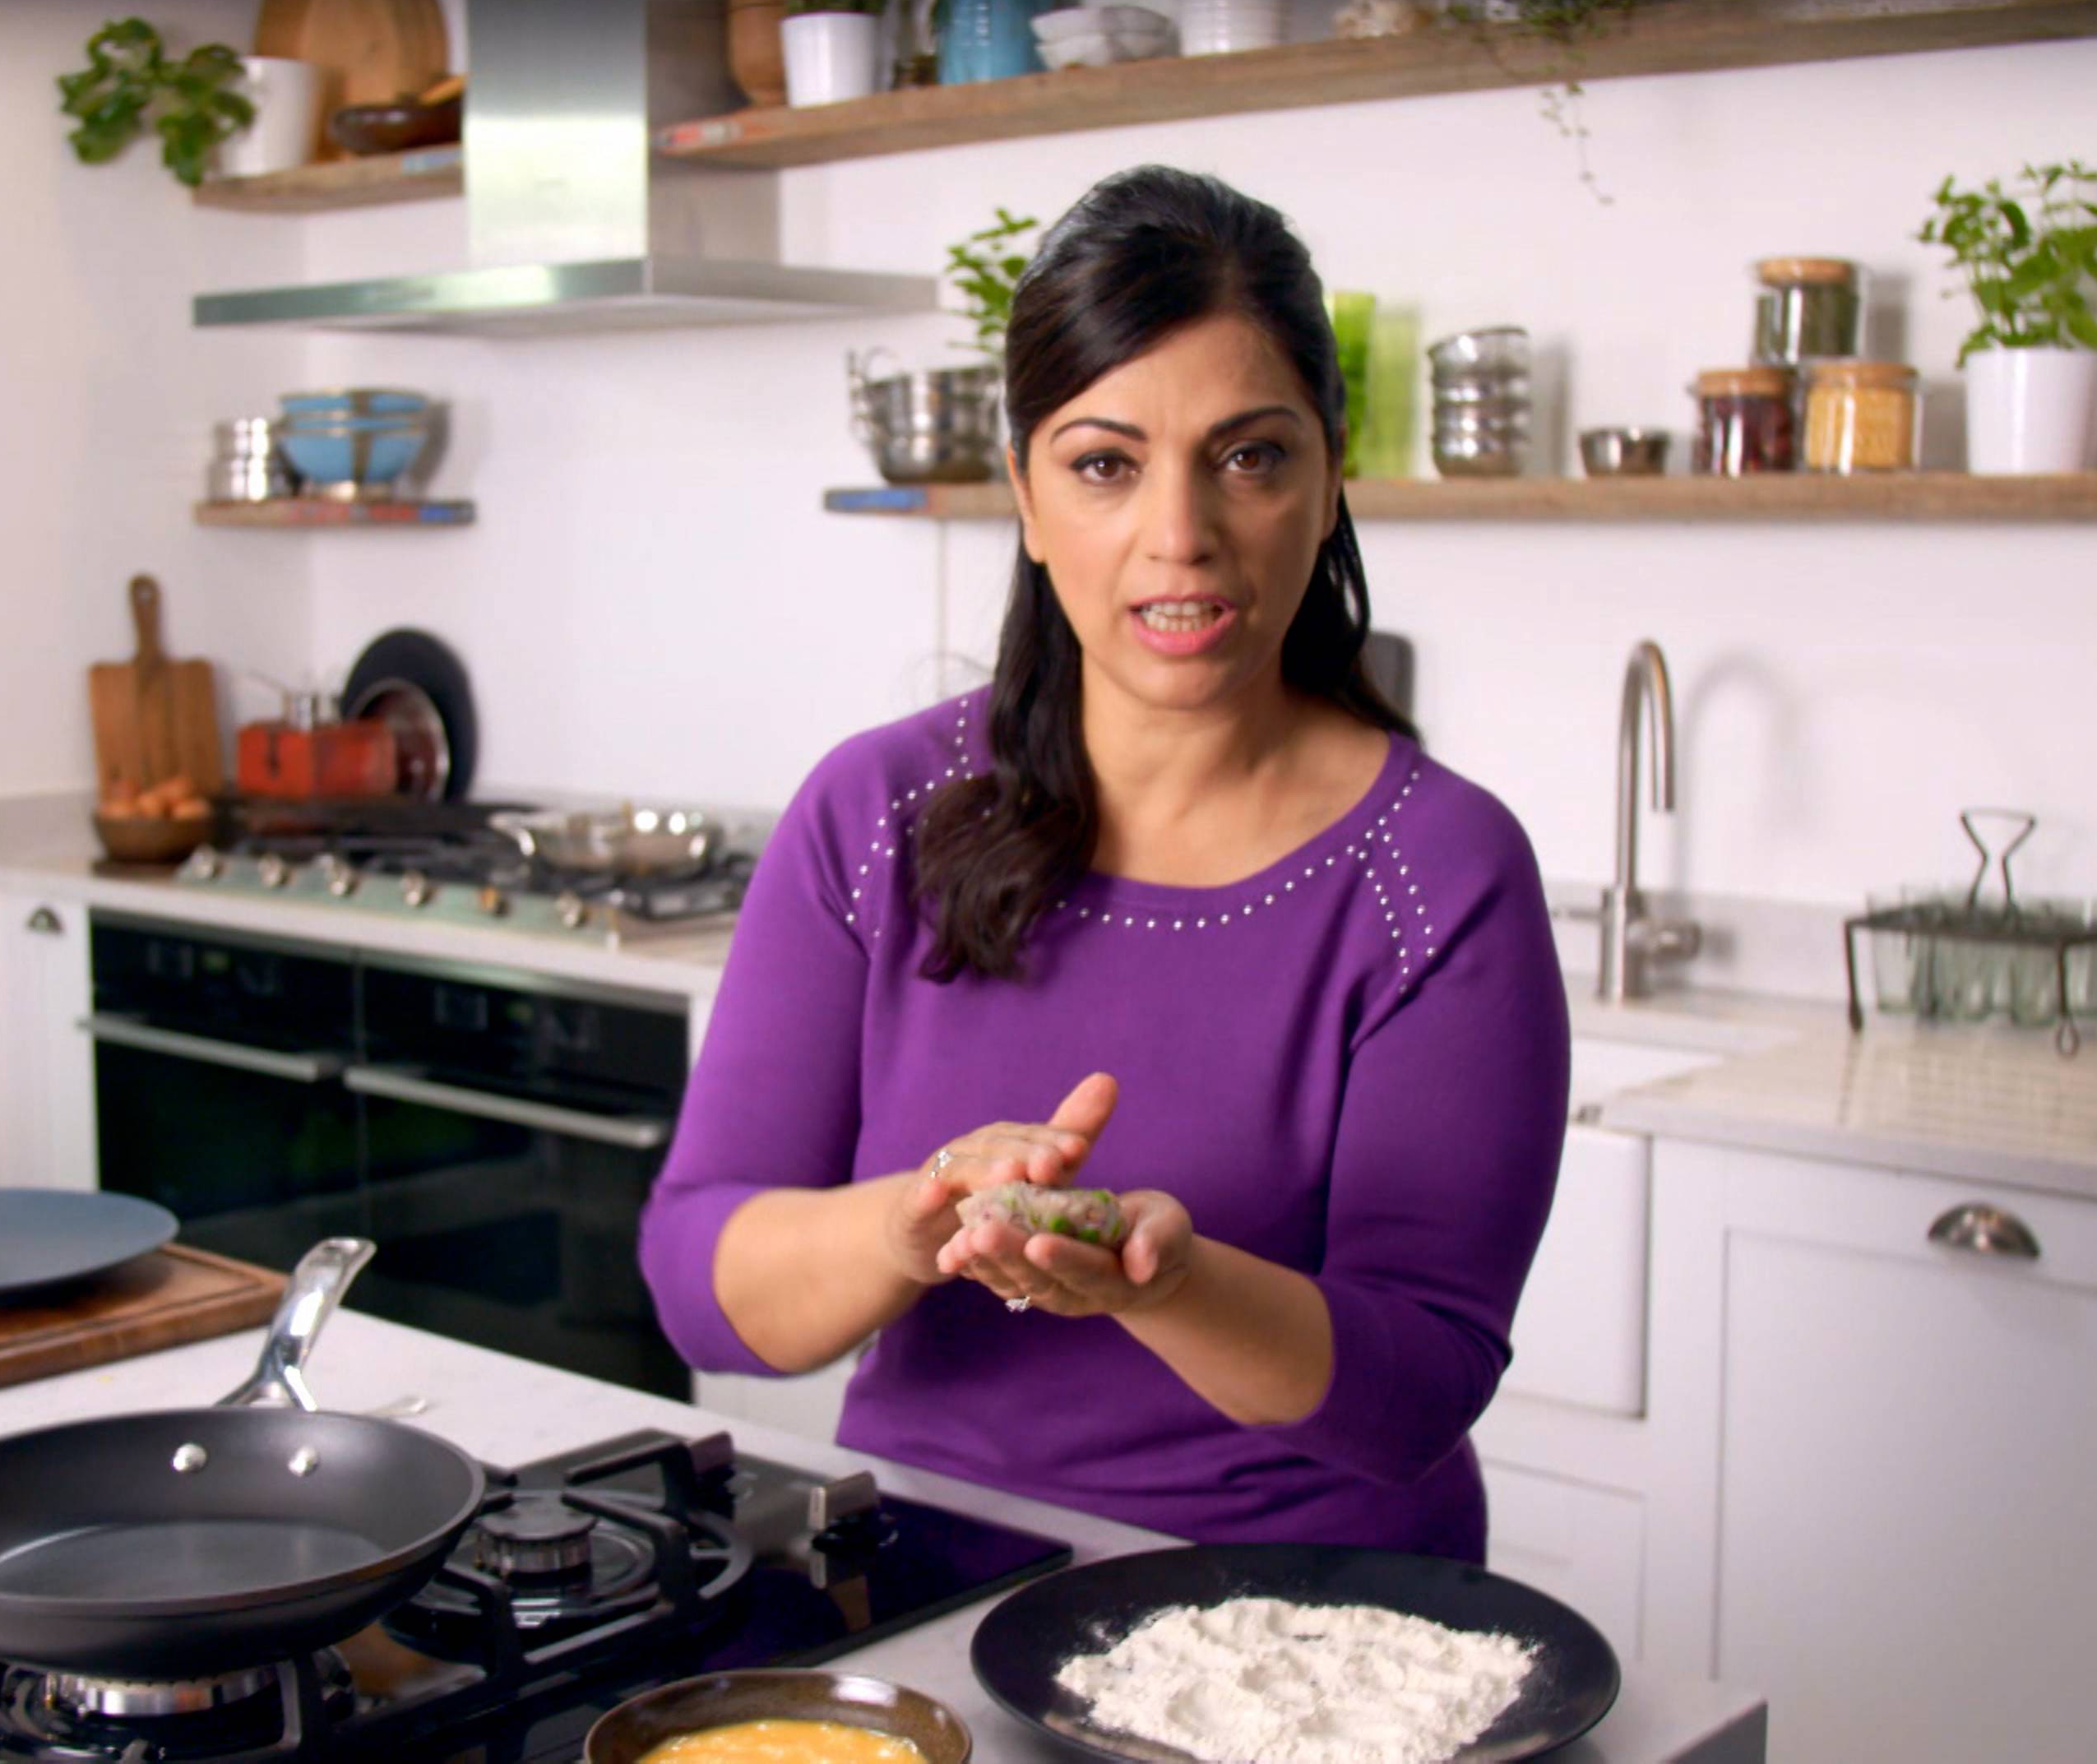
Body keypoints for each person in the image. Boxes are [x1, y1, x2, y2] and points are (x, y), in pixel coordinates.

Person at [636, 164, 1569, 1558]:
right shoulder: (875, 814)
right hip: (936, 1579)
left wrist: (1163, 1285)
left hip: (1314, 1617)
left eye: (1249, 458)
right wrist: (914, 1224)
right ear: (1025, 492)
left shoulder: (1439, 872)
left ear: (1329, 482)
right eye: (1104, 465)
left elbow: (1420, 1386)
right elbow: (700, 1288)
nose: (1178, 537)